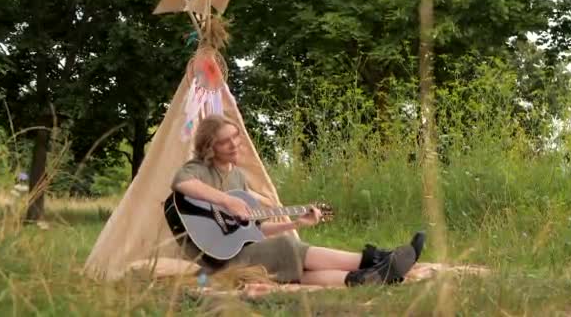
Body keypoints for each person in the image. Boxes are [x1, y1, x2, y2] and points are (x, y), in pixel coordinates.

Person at [171, 114, 425, 287]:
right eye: (224, 141)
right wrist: (226, 202)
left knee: (301, 270)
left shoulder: (237, 176)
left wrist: (296, 224)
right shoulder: (199, 169)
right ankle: (377, 259)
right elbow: (181, 183)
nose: (234, 144)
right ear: (209, 146)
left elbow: (255, 230)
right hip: (219, 261)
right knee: (284, 247)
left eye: (235, 137)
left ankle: (367, 278)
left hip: (242, 250)